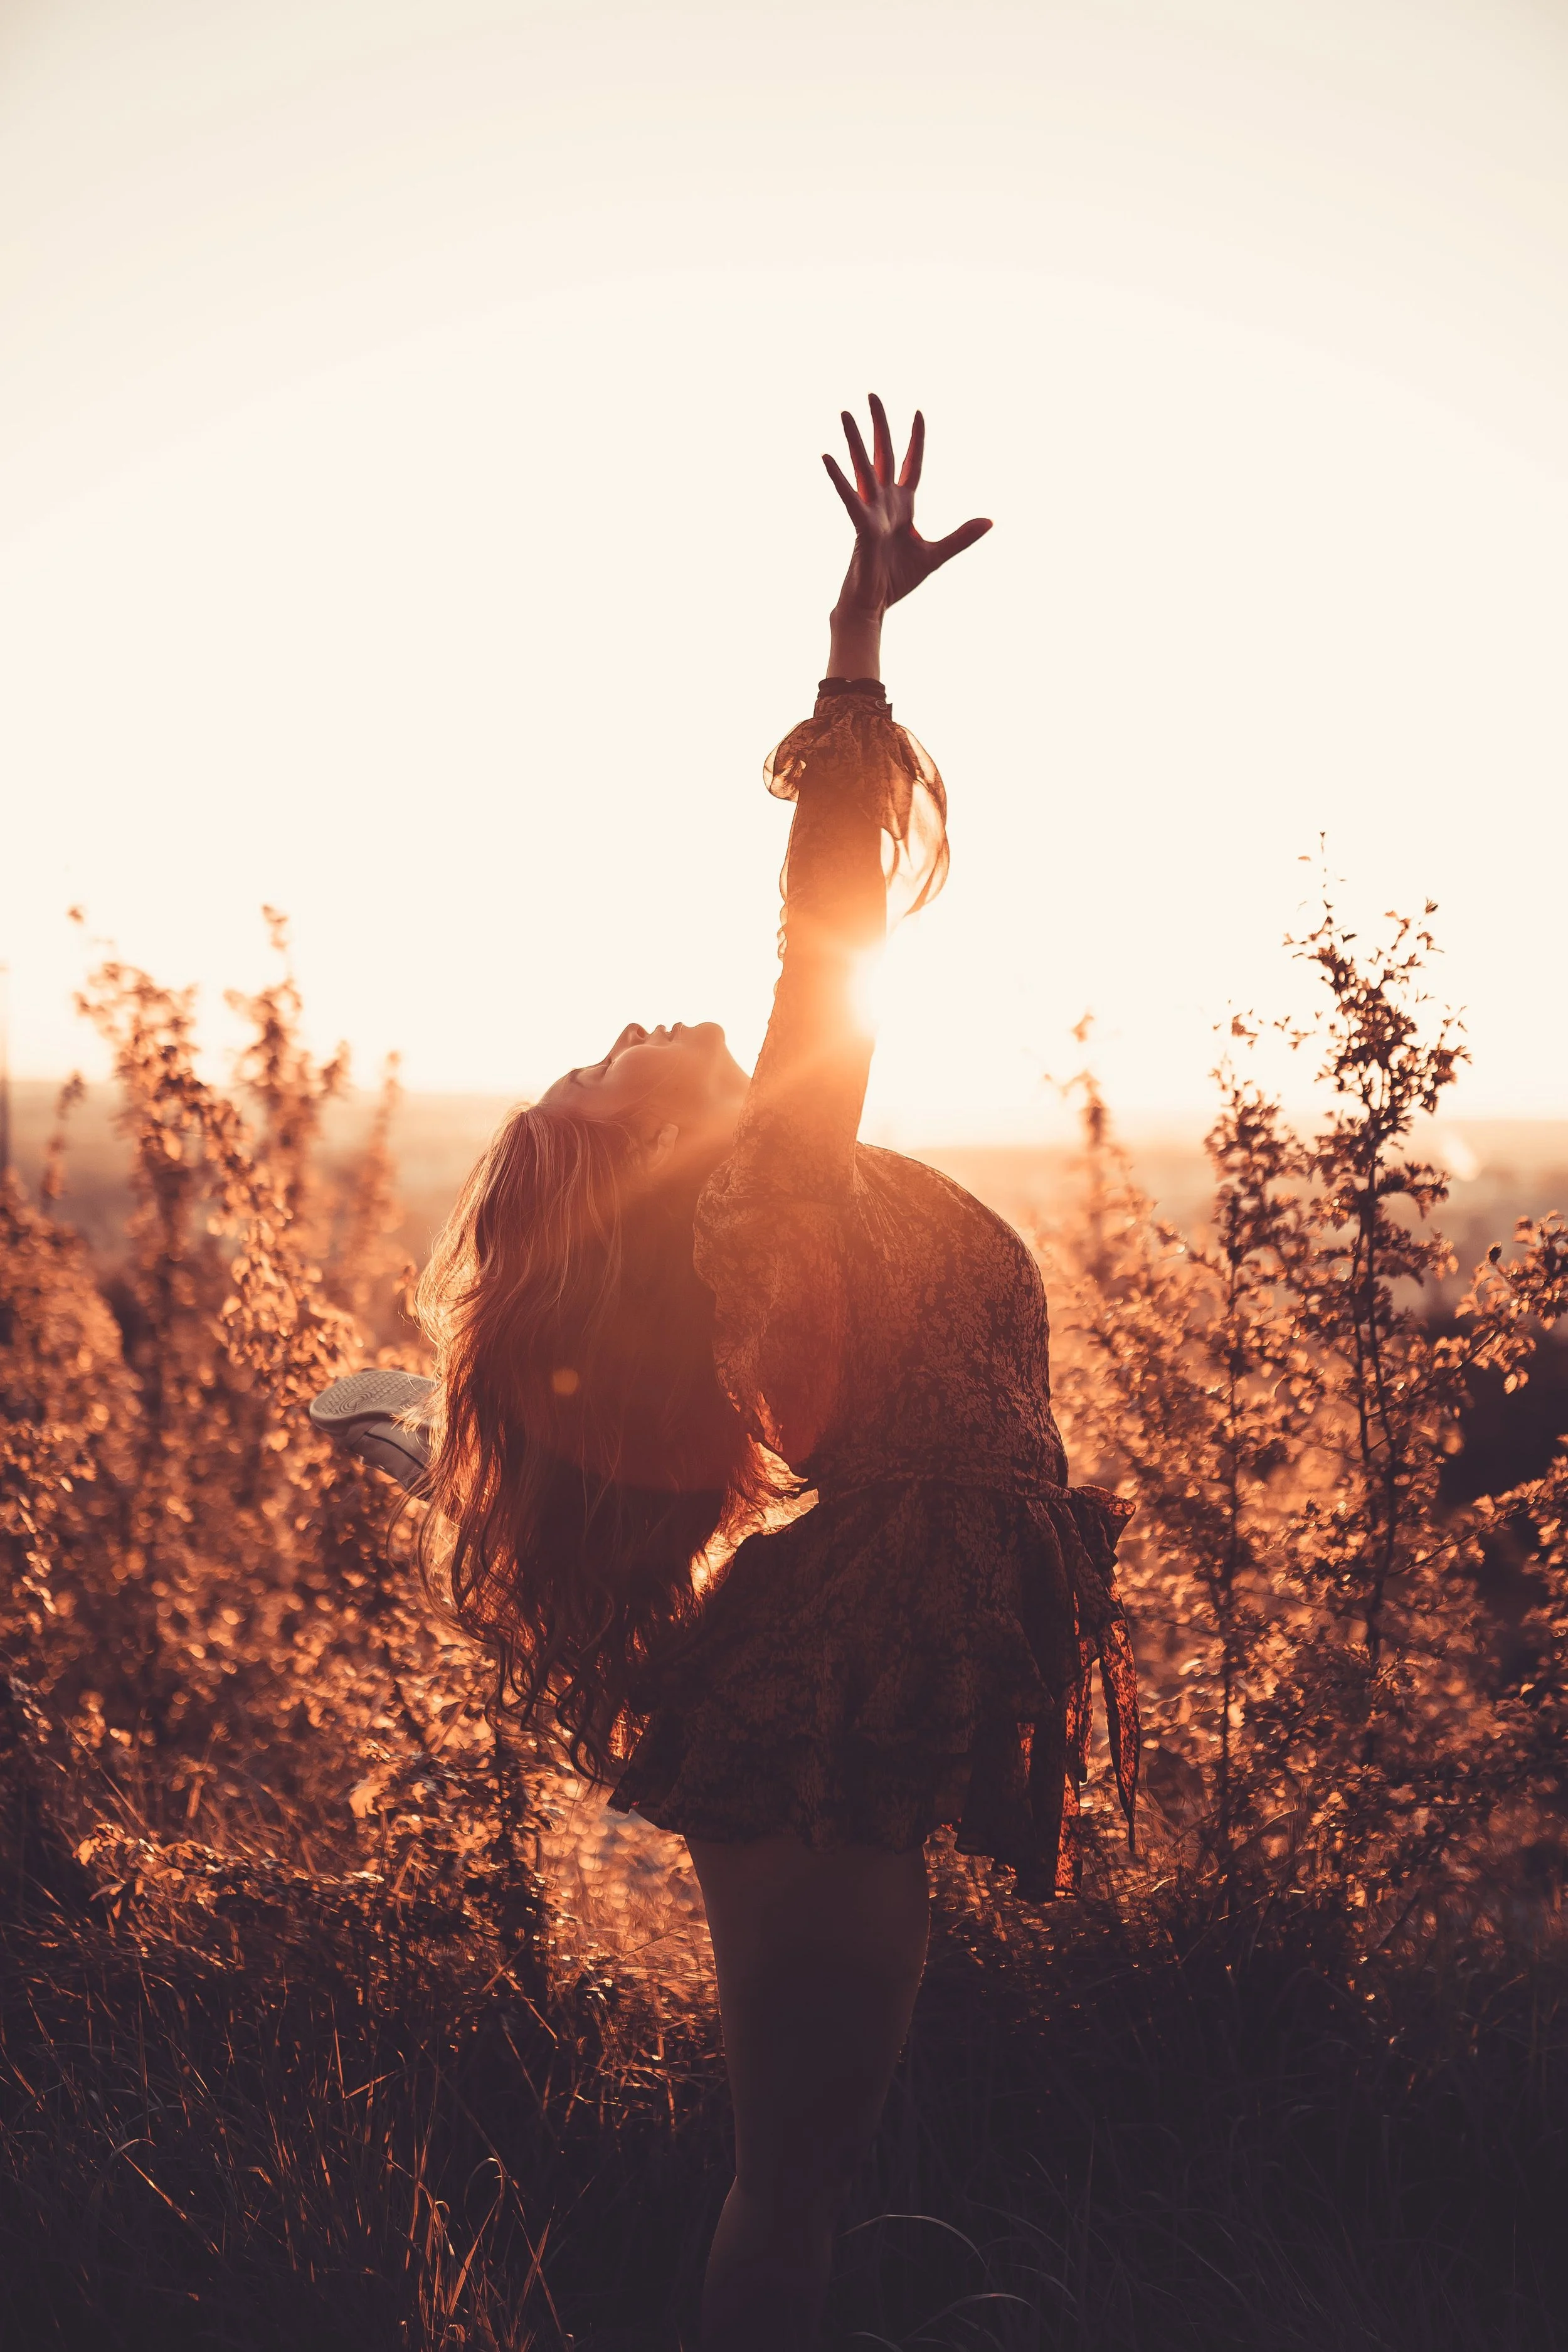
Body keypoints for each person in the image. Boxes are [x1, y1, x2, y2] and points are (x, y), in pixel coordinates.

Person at [314, 398, 1138, 2350]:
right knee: (791, 2192)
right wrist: (852, 657)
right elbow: (829, 928)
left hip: (859, 1679)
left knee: (812, 2186)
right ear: (632, 1166)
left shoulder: (779, 1211)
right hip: (820, 1710)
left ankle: (397, 1429)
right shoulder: (761, 1183)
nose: (631, 1019)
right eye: (599, 1065)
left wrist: (429, 1419)